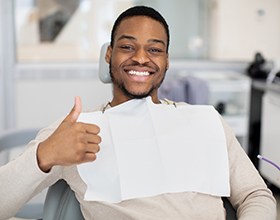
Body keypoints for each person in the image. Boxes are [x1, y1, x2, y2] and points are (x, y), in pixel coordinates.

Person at [0, 5, 276, 220]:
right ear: (109, 55)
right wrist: (45, 155)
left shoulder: (205, 122)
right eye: (127, 47)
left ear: (166, 60)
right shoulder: (78, 131)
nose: (141, 58)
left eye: (154, 49)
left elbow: (255, 194)